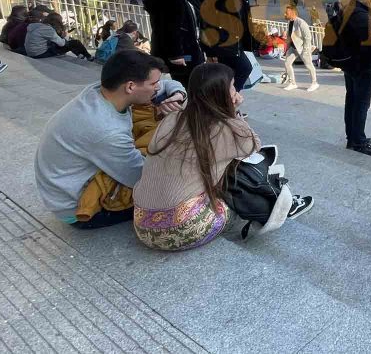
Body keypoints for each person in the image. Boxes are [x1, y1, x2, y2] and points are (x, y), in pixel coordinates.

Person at [132, 63, 313, 251]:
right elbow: (254, 145)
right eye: (233, 86)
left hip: (142, 221)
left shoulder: (171, 119)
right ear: (222, 94)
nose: (236, 90)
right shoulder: (226, 129)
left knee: (217, 163)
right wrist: (233, 113)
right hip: (179, 230)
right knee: (237, 174)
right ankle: (276, 203)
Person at [35, 51, 186, 228]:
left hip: (63, 187)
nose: (158, 87)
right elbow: (143, 179)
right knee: (176, 190)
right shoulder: (106, 130)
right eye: (154, 83)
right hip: (79, 207)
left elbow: (168, 84)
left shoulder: (100, 91)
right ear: (130, 87)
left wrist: (178, 93)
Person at [330, 0, 371, 158]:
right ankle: (359, 142)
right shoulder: (361, 16)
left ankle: (352, 138)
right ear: (370, 0)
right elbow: (368, 47)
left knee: (352, 100)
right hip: (360, 66)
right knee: (361, 104)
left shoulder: (349, 9)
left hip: (348, 63)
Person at [196, 0, 256, 91]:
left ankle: (227, 103)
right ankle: (227, 102)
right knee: (243, 69)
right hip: (222, 42)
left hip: (236, 39)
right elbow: (205, 19)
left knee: (231, 75)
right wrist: (210, 50)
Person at [141, 0, 206, 87]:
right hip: (183, 56)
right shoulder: (174, 1)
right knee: (191, 86)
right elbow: (171, 30)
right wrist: (176, 55)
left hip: (181, 53)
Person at [280, 3, 319, 92]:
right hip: (293, 47)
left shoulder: (301, 22)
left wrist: (306, 49)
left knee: (308, 65)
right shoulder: (290, 21)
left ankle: (314, 83)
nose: (284, 14)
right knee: (287, 63)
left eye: (286, 13)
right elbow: (291, 33)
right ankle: (292, 83)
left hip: (302, 47)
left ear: (293, 13)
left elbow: (308, 37)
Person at [26, 12, 94, 61]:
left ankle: (81, 55)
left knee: (68, 43)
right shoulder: (48, 29)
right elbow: (62, 43)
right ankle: (89, 57)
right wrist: (65, 37)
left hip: (31, 53)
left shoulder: (36, 26)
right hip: (40, 55)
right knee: (75, 42)